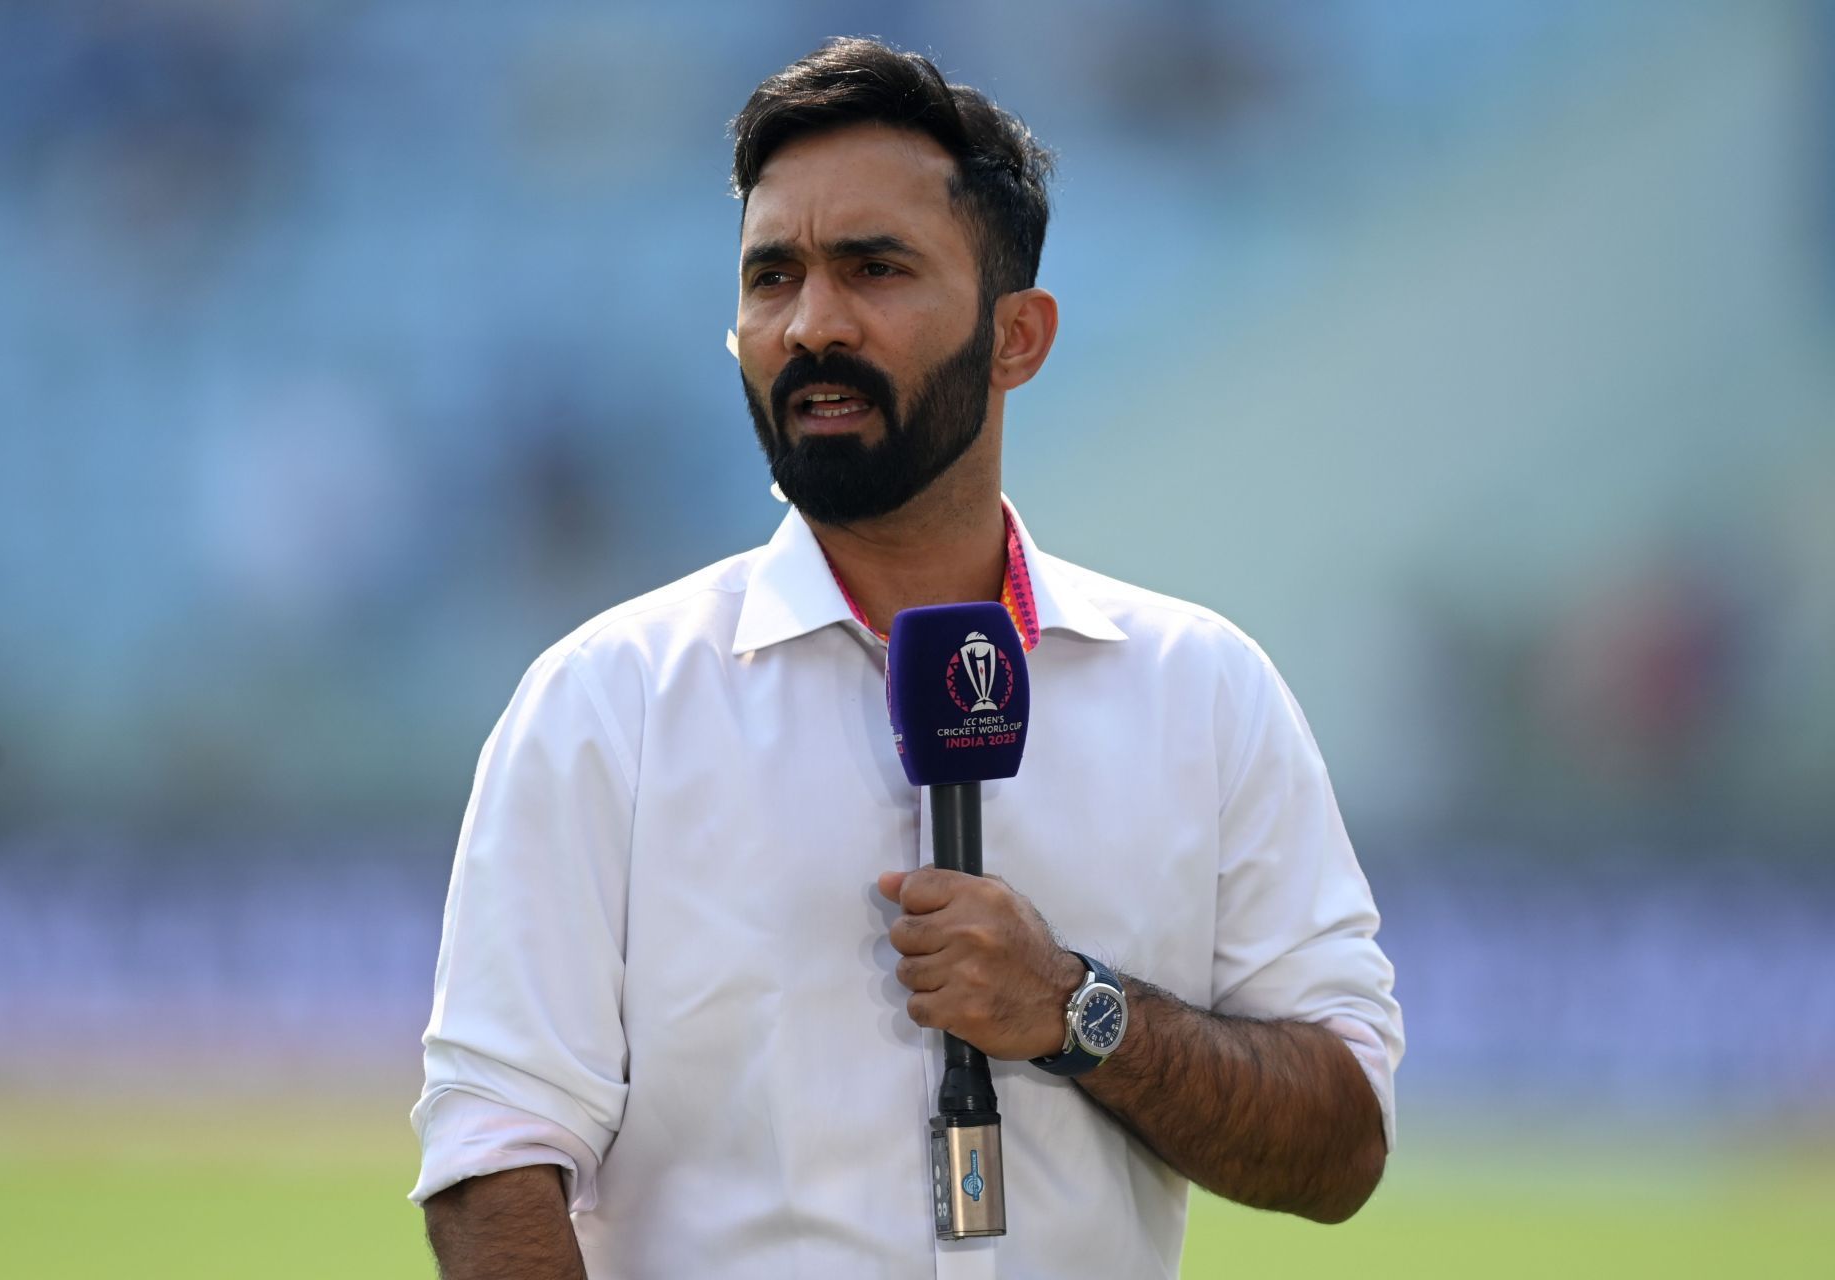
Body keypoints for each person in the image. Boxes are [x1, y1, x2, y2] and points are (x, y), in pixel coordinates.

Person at [412, 37, 1402, 1280]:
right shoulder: (607, 704)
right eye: (772, 278)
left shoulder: (1203, 691)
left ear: (1018, 338)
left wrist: (1076, 1010)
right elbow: (491, 1161)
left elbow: (1341, 1141)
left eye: (875, 268)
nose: (812, 324)